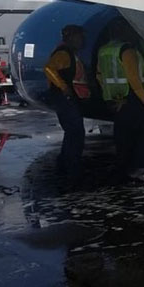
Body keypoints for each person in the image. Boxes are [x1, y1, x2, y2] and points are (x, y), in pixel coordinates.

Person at [97, 22, 144, 182]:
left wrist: (110, 96)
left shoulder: (104, 51)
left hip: (117, 98)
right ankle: (141, 169)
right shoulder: (126, 50)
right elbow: (133, 77)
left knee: (123, 135)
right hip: (133, 97)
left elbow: (99, 75)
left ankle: (124, 167)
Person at [43, 24, 91, 183]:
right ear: (70, 37)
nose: (82, 40)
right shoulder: (64, 54)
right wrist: (64, 88)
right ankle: (71, 167)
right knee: (75, 132)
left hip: (69, 97)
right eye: (79, 36)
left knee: (73, 132)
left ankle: (66, 163)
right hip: (65, 98)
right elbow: (49, 69)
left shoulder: (70, 53)